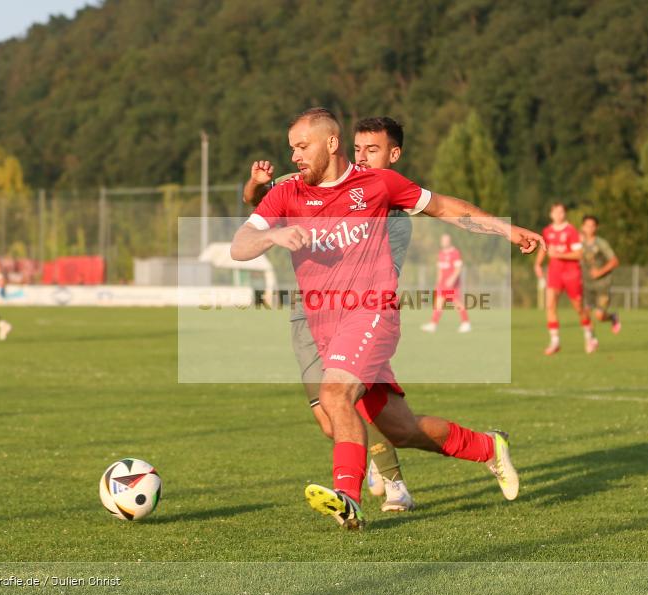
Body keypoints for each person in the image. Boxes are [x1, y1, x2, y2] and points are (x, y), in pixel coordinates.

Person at [231, 107, 544, 529]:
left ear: (331, 143)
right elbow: (241, 243)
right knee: (401, 430)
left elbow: (446, 207)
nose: (295, 156)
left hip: (371, 314)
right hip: (324, 325)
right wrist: (272, 235)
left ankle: (347, 496)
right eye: (292, 148)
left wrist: (507, 230)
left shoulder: (378, 185)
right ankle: (487, 447)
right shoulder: (289, 193)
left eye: (302, 147)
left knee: (336, 395)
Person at [243, 116, 415, 512]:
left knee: (346, 399)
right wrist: (255, 183)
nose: (363, 158)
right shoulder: (308, 177)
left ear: (395, 154)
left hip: (358, 312)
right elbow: (260, 203)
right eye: (358, 150)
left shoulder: (395, 218)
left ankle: (393, 482)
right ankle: (372, 458)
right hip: (309, 311)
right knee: (328, 419)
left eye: (373, 151)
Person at [534, 203, 596, 355]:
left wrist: (559, 255)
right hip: (554, 273)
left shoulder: (571, 231)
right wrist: (537, 264)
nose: (558, 215)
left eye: (561, 212)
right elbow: (544, 248)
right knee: (550, 305)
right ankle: (555, 342)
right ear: (551, 214)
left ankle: (589, 337)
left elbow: (579, 254)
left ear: (565, 214)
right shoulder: (547, 231)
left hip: (572, 273)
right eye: (555, 212)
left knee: (579, 308)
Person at [421, 233, 470, 333]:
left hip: (452, 284)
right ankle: (433, 324)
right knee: (438, 303)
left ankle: (466, 323)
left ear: (449, 241)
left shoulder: (455, 253)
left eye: (446, 240)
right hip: (443, 284)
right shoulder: (441, 253)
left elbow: (458, 268)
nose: (444, 242)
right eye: (442, 240)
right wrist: (438, 283)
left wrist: (452, 278)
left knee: (456, 302)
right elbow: (440, 269)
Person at [580, 215, 621, 335]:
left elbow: (615, 261)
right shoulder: (579, 244)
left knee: (599, 316)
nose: (590, 228)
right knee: (586, 313)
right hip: (586, 284)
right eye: (587, 225)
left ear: (596, 227)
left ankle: (612, 317)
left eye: (592, 226)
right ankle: (591, 339)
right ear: (583, 227)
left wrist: (600, 272)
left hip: (602, 285)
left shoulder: (601, 243)